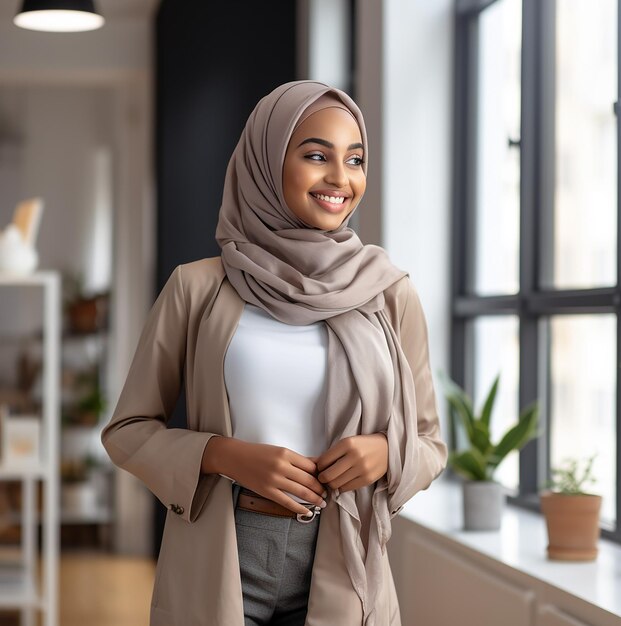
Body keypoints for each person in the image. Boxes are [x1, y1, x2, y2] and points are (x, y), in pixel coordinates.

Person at [100, 80, 448, 626]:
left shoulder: (387, 292)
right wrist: (223, 455)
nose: (340, 178)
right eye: (316, 155)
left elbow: (429, 443)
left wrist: (384, 453)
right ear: (264, 162)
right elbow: (127, 430)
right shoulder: (198, 288)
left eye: (355, 159)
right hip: (224, 555)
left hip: (343, 558)